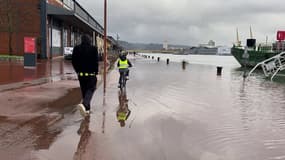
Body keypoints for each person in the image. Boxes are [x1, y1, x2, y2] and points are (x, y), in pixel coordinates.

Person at [72, 34, 98, 117]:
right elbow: (95, 61)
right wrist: (96, 71)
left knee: (84, 92)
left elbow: (73, 61)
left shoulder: (76, 48)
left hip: (81, 75)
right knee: (91, 89)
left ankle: (87, 110)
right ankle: (84, 104)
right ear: (90, 40)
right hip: (91, 74)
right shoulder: (94, 49)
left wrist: (77, 70)